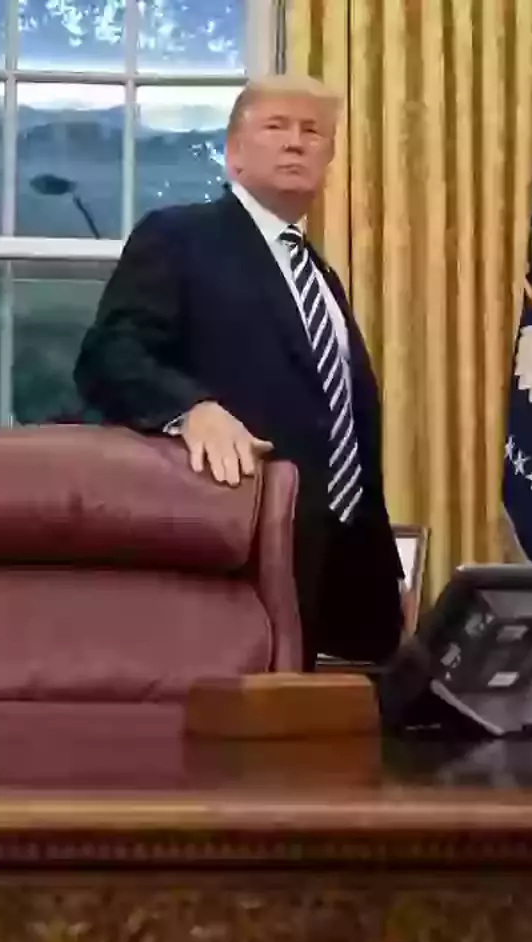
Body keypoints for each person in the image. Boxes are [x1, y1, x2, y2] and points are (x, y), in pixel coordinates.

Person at [74, 74, 403, 666]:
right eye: (276, 127)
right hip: (239, 561)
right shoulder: (180, 237)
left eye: (313, 132)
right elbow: (109, 355)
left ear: (329, 156)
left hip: (348, 573)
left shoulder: (320, 276)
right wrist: (189, 408)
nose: (296, 143)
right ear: (233, 152)